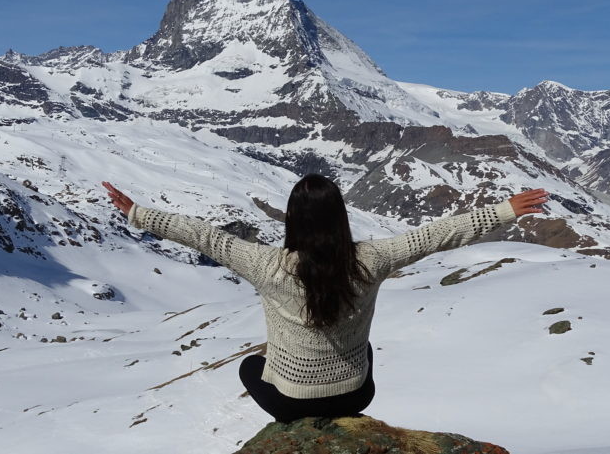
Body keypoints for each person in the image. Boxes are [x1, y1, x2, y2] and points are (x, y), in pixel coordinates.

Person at [102, 176, 548, 422]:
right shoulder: (371, 259)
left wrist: (138, 212)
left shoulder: (266, 265)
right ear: (340, 218)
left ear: (294, 220)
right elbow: (435, 236)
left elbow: (204, 237)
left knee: (248, 365)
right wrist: (503, 210)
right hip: (355, 396)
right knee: (365, 349)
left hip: (290, 404)